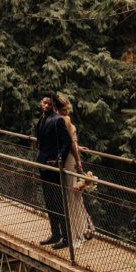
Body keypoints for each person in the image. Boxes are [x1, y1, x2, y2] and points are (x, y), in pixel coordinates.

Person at [54, 93, 95, 247]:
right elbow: (70, 143)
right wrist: (78, 161)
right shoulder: (66, 120)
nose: (67, 112)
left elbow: (71, 142)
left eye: (67, 109)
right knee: (73, 195)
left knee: (73, 194)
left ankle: (80, 230)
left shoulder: (58, 119)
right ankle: (78, 232)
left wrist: (79, 147)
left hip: (69, 156)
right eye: (64, 109)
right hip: (71, 159)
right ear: (58, 109)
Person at [35, 93, 71, 249]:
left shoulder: (57, 120)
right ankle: (55, 233)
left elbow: (67, 142)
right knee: (49, 201)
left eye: (49, 104)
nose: (46, 106)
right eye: (44, 103)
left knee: (58, 201)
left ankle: (66, 237)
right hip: (43, 164)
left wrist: (58, 160)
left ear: (53, 106)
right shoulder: (41, 119)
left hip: (53, 165)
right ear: (40, 103)